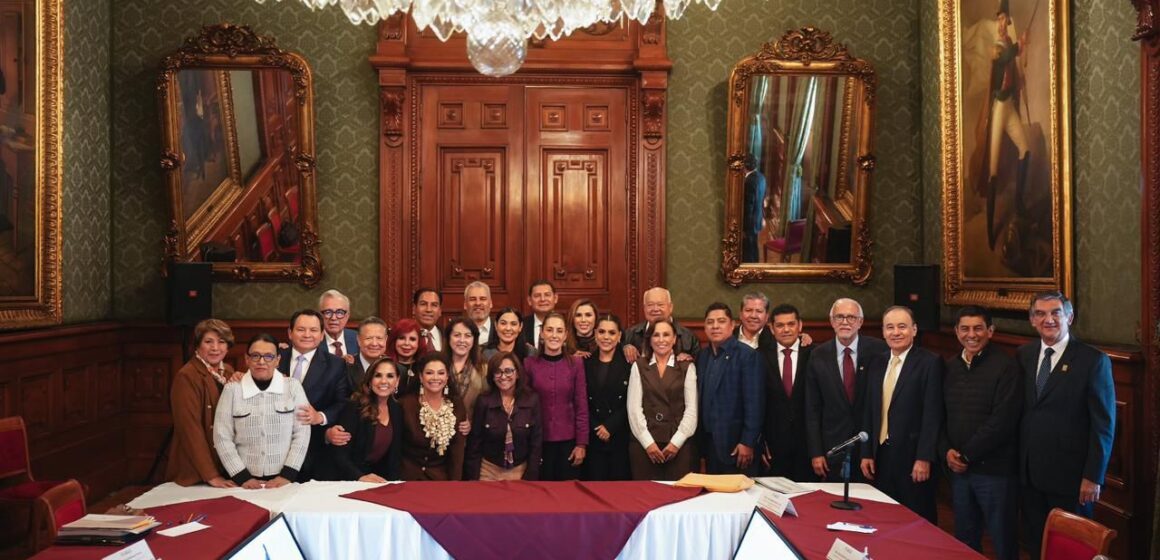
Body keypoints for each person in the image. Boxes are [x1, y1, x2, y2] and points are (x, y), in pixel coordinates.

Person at [1018, 292, 1114, 560]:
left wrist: (1094, 476)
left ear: (1069, 317)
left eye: (1055, 313)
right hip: (1030, 474)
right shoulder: (1023, 355)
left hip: (1071, 478)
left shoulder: (1093, 361)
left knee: (1072, 549)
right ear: (1032, 320)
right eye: (1040, 314)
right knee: (1037, 543)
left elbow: (1103, 425)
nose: (1048, 319)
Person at [942, 306, 1021, 560]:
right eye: (965, 328)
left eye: (978, 328)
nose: (971, 334)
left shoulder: (1007, 366)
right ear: (956, 332)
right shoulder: (949, 366)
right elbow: (939, 415)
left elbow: (1002, 421)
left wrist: (966, 456)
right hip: (959, 471)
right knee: (965, 538)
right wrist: (947, 451)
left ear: (990, 331)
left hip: (995, 473)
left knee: (1002, 539)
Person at [860, 306, 943, 524]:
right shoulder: (876, 362)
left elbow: (932, 414)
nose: (896, 332)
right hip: (881, 456)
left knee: (916, 520)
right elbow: (870, 410)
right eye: (890, 327)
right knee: (884, 518)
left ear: (914, 330)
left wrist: (924, 458)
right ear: (883, 332)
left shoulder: (929, 362)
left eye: (902, 326)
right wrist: (867, 452)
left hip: (912, 457)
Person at [804, 298, 888, 482]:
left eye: (851, 317)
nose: (845, 322)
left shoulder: (880, 351)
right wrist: (816, 452)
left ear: (860, 322)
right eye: (839, 317)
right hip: (832, 447)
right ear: (831, 321)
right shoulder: (817, 355)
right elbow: (812, 409)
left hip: (870, 446)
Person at [214, 334, 310, 489]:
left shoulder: (293, 387)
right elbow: (221, 436)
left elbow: (302, 433)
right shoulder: (232, 390)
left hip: (286, 481)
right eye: (255, 356)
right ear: (247, 359)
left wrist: (287, 475)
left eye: (268, 356)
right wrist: (242, 477)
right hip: (242, 483)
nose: (261, 362)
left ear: (278, 360)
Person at [278, 309, 349, 481]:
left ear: (322, 334)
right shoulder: (275, 359)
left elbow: (342, 402)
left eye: (313, 330)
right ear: (290, 332)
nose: (307, 335)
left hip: (314, 448)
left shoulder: (336, 365)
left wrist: (321, 416)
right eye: (301, 329)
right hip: (274, 446)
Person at [167, 319, 237, 487]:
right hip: (196, 471)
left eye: (221, 342)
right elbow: (190, 429)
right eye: (208, 342)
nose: (215, 348)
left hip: (224, 463)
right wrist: (211, 475)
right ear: (197, 346)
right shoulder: (187, 376)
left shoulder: (228, 371)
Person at [627, 318, 698, 480]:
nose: (661, 340)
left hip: (678, 445)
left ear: (674, 339)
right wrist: (648, 444)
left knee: (677, 499)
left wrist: (676, 443)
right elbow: (633, 410)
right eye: (656, 335)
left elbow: (692, 411)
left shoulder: (687, 367)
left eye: (666, 335)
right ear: (649, 339)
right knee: (645, 498)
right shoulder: (638, 366)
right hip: (645, 445)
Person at [696, 303, 763, 475]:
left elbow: (755, 404)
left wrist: (748, 442)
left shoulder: (747, 355)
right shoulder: (702, 356)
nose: (715, 326)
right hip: (709, 443)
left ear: (732, 325)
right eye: (710, 322)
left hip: (736, 445)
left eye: (721, 321)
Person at [524, 312, 589, 480]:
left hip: (568, 442)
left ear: (565, 335)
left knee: (567, 495)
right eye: (550, 330)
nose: (554, 335)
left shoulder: (576, 363)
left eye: (559, 331)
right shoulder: (529, 364)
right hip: (539, 440)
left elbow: (581, 405)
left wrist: (581, 443)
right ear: (542, 333)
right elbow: (525, 406)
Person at [465, 352, 543, 480]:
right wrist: (473, 479)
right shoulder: (484, 401)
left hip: (520, 470)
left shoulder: (531, 400)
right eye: (498, 372)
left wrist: (531, 476)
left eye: (508, 371)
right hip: (488, 470)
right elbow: (475, 443)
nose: (503, 376)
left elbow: (536, 442)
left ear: (517, 373)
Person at [761, 303, 813, 481]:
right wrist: (760, 442)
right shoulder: (760, 357)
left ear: (800, 325)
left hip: (808, 444)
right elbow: (757, 403)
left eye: (791, 324)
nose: (786, 330)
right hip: (773, 445)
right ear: (771, 328)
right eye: (780, 325)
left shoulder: (815, 354)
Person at [329, 358, 404, 482]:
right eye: (378, 375)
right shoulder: (354, 406)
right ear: (370, 380)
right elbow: (339, 454)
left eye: (390, 376)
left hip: (375, 480)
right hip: (344, 479)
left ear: (397, 381)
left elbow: (393, 457)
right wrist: (360, 477)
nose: (384, 381)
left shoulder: (397, 409)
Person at [398, 353, 467, 480]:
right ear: (420, 377)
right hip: (406, 478)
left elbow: (456, 453)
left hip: (440, 479)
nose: (435, 378)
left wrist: (455, 485)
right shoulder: (405, 404)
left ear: (447, 377)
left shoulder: (456, 405)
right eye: (429, 373)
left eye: (441, 373)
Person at [581, 313, 632, 481]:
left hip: (620, 436)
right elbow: (581, 401)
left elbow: (632, 401)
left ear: (619, 337)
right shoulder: (585, 363)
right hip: (594, 436)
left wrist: (610, 426)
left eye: (611, 333)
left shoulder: (629, 364)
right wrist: (597, 427)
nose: (606, 337)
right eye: (602, 332)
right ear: (595, 334)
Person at [622, 287, 700, 363]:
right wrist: (624, 348)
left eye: (660, 305)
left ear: (670, 307)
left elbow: (698, 367)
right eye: (650, 305)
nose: (655, 309)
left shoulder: (689, 337)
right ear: (644, 308)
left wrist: (689, 360)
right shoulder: (630, 334)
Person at [446, 317, 487, 436]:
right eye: (457, 335)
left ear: (474, 339)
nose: (462, 340)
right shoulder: (439, 365)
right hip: (440, 433)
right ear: (448, 337)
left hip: (474, 435)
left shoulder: (484, 369)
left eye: (468, 336)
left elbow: (488, 405)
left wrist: (473, 423)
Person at [386, 318, 430, 396]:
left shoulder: (425, 367)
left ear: (419, 343)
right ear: (394, 341)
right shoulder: (384, 365)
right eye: (401, 338)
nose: (406, 343)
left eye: (412, 339)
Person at [345, 316, 389, 392]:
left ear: (386, 339)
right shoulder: (345, 369)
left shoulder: (397, 369)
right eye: (369, 338)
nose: (374, 343)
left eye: (379, 338)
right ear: (358, 340)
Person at [319, 289, 359, 359]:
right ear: (320, 315)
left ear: (347, 316)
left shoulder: (358, 339)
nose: (333, 318)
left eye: (340, 312)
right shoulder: (312, 340)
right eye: (328, 312)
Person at [519, 280, 558, 348]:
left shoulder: (567, 325)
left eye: (547, 295)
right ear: (529, 300)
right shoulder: (520, 325)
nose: (542, 299)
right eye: (537, 296)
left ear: (555, 298)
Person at [742, 153, 766, 262]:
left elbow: (748, 207)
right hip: (757, 219)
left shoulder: (748, 182)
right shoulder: (761, 177)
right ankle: (756, 265)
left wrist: (744, 228)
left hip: (750, 222)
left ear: (744, 166)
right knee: (754, 246)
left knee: (748, 250)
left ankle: (750, 271)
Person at [463, 281, 495, 346]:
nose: (478, 303)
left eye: (483, 299)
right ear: (465, 305)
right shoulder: (457, 330)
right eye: (472, 299)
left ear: (491, 303)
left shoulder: (500, 328)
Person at [413, 288, 444, 352]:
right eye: (423, 304)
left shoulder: (448, 337)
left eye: (434, 305)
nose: (428, 310)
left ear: (440, 311)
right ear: (414, 308)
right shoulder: (403, 337)